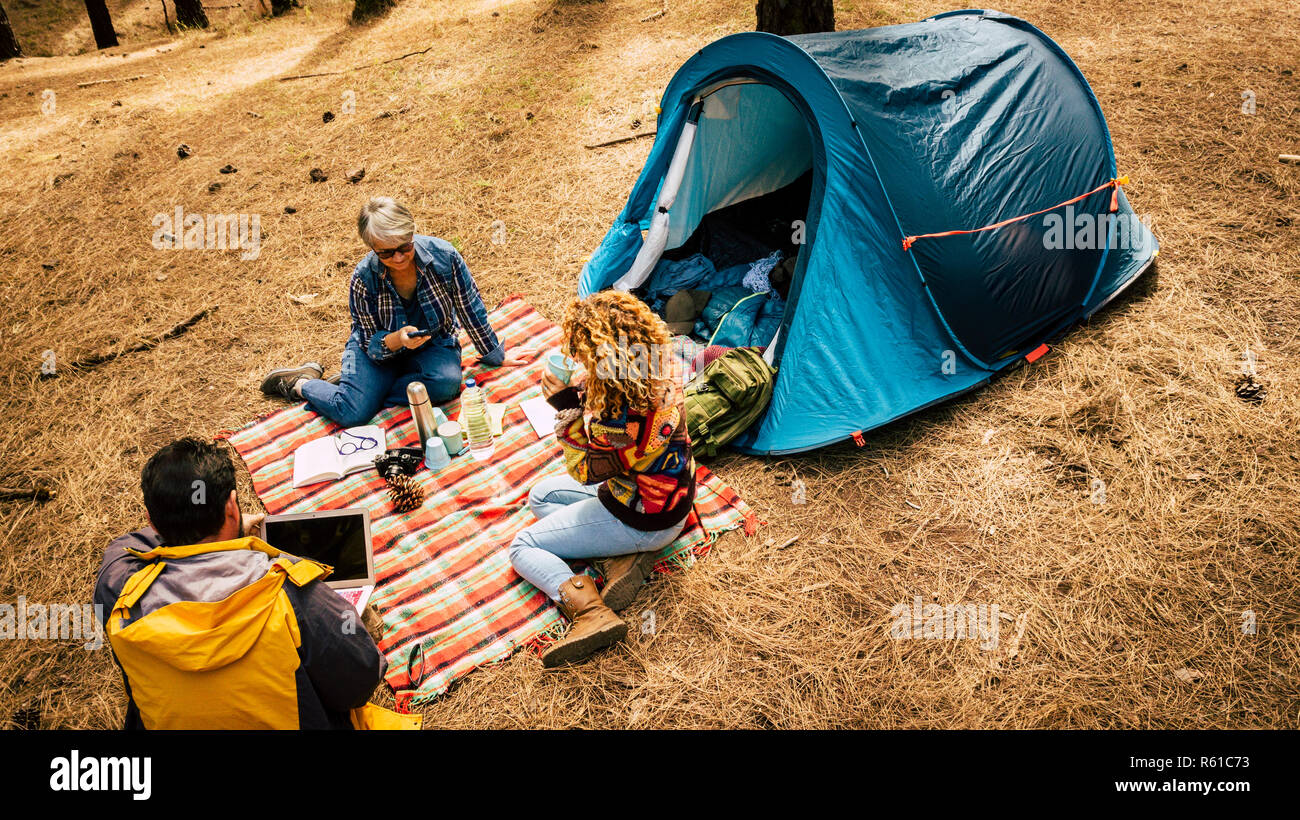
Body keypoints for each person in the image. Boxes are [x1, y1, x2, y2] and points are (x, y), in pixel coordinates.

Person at [94, 437, 387, 729]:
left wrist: (193, 521)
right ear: (232, 507)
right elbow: (359, 683)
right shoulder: (290, 593)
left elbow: (123, 546)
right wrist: (244, 541)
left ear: (152, 522)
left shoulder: (121, 590)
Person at [509, 291, 696, 667]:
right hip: (668, 499)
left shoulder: (617, 422)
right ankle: (620, 558)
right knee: (541, 496)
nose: (578, 360)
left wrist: (565, 408)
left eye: (584, 355)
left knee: (523, 546)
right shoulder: (656, 372)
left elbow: (583, 470)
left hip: (644, 516)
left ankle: (591, 613)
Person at [260, 197, 534, 426]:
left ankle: (358, 390)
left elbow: (469, 307)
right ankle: (301, 383)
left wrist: (494, 353)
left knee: (448, 384)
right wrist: (397, 339)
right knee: (352, 414)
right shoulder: (363, 279)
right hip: (378, 352)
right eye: (387, 253)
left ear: (412, 232)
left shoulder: (445, 257)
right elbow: (368, 342)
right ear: (372, 249)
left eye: (405, 246)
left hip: (432, 344)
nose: (399, 258)